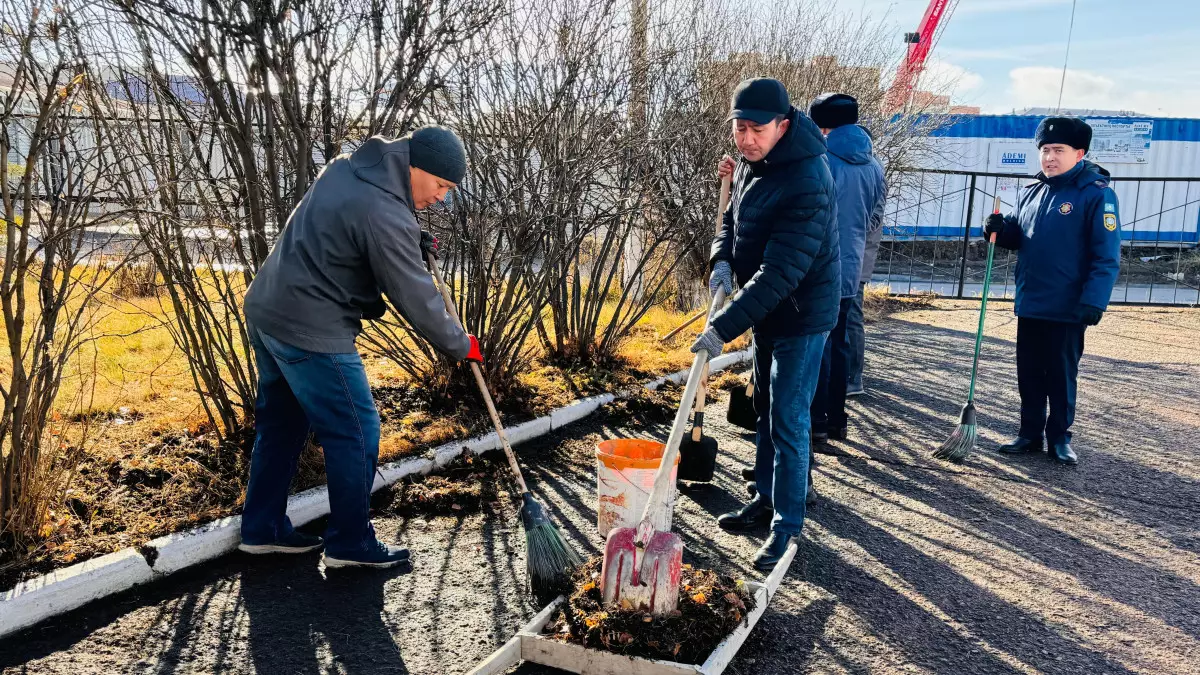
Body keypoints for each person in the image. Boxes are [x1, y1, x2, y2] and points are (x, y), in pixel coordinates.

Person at [238, 125, 483, 568]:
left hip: (268, 310)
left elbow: (342, 237)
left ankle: (262, 528)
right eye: (441, 185)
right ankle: (350, 542)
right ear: (414, 167)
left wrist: (411, 238)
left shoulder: (347, 171)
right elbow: (415, 295)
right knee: (356, 430)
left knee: (282, 425)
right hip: (309, 327)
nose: (442, 197)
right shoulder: (384, 212)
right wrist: (460, 344)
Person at [690, 77, 839, 570]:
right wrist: (721, 260)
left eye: (757, 128)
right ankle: (764, 498)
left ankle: (786, 527)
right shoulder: (755, 164)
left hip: (801, 313)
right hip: (769, 307)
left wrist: (721, 329)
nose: (746, 138)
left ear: (783, 124)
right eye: (739, 127)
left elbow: (781, 273)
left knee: (789, 418)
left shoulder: (808, 180)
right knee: (763, 406)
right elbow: (732, 220)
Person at [983, 117, 1121, 465]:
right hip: (1031, 300)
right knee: (1028, 372)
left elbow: (1106, 254)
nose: (1049, 157)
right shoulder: (1033, 191)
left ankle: (1059, 437)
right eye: (1045, 150)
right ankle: (1029, 433)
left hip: (1068, 305)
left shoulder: (1096, 194)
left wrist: (1094, 300)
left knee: (1060, 375)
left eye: (1058, 150)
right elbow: (1017, 237)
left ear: (1080, 153)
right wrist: (996, 231)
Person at [807, 93, 886, 446]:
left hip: (817, 264)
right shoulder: (873, 165)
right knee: (838, 343)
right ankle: (837, 420)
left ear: (822, 125)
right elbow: (874, 218)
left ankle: (816, 420)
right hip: (850, 266)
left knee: (814, 345)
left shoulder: (820, 158)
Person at [847, 152, 887, 397]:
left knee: (852, 315)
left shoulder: (871, 171)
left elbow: (873, 218)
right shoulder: (867, 169)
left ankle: (853, 377)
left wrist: (846, 226)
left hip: (858, 255)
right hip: (854, 252)